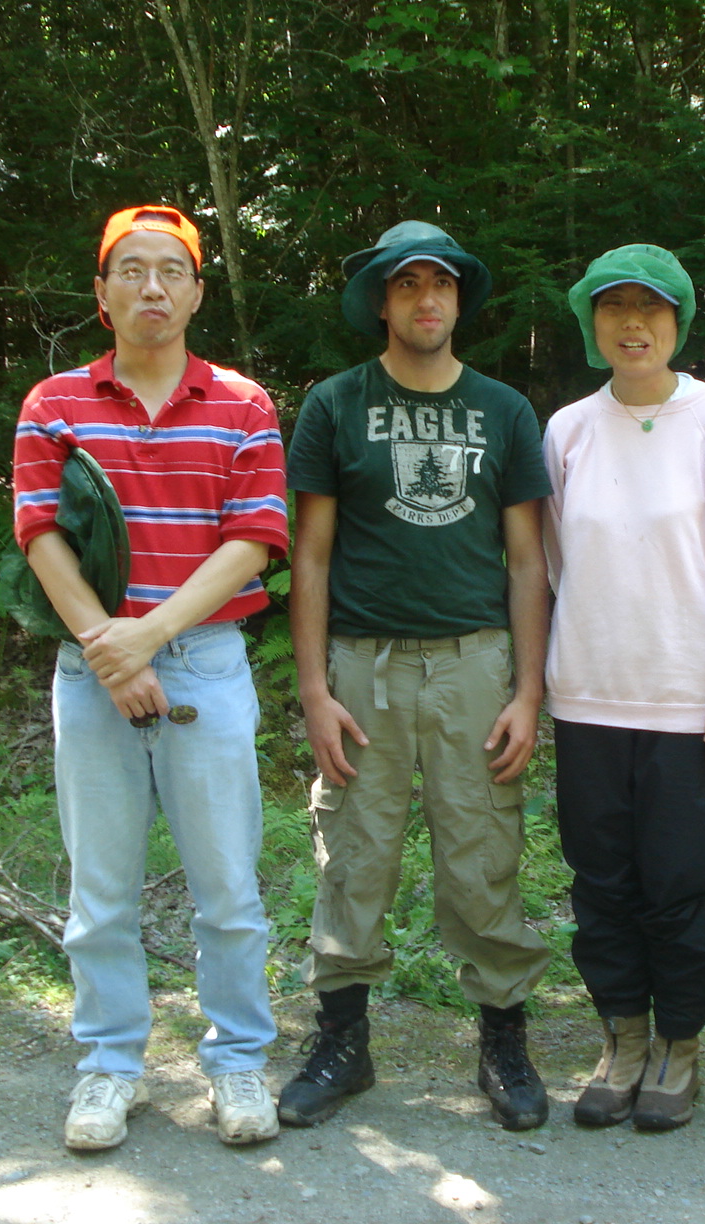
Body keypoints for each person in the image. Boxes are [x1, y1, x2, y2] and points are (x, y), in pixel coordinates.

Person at [12, 205, 288, 1150]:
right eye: (131, 270)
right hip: (90, 667)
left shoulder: (243, 403)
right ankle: (109, 1067)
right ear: (102, 293)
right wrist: (107, 647)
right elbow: (39, 532)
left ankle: (239, 1062)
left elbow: (254, 538)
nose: (152, 287)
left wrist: (150, 638)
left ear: (197, 292)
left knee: (227, 886)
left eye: (171, 270)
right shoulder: (55, 402)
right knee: (101, 890)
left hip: (204, 660)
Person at [282, 221, 552, 1131]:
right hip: (364, 664)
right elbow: (311, 555)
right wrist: (314, 689)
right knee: (355, 850)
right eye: (407, 285)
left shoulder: (503, 411)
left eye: (441, 284)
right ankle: (342, 1042)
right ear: (382, 302)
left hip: (475, 661)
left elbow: (527, 561)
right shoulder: (335, 405)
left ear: (459, 299)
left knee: (482, 849)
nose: (426, 299)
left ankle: (503, 1040)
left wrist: (528, 691)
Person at [543, 245, 705, 1131]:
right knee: (602, 883)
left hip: (693, 703)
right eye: (614, 308)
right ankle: (623, 1039)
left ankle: (679, 1043)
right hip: (590, 697)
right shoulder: (568, 429)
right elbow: (555, 563)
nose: (632, 324)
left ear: (678, 320)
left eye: (651, 308)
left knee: (682, 883)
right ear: (591, 321)